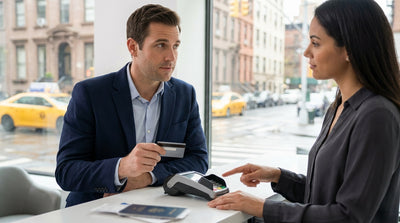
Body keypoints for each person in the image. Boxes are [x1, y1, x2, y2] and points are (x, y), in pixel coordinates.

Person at [208, 0, 400, 222]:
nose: (306, 52)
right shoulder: (338, 106)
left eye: (316, 43)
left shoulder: (377, 116)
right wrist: (277, 176)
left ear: (349, 49)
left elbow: (349, 216)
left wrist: (262, 208)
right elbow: (325, 193)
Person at [55, 4, 208, 207]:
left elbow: (198, 159)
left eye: (176, 46)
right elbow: (66, 172)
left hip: (159, 208)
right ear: (133, 47)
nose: (171, 57)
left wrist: (148, 177)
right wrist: (121, 168)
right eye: (161, 45)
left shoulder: (184, 94)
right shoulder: (91, 94)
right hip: (94, 211)